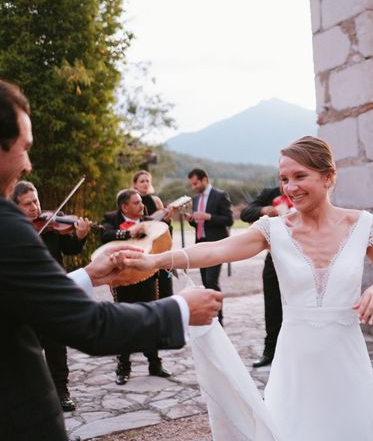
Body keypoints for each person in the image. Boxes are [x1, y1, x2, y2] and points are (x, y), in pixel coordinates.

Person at [117, 136, 373, 440]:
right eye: (284, 179)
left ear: (328, 177)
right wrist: (153, 260)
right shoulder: (274, 229)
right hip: (294, 364)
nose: (290, 187)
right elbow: (216, 250)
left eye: (299, 176)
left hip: (347, 362)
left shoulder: (363, 224)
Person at [0, 78, 221, 441]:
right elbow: (91, 326)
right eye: (24, 148)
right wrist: (180, 308)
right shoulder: (7, 226)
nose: (28, 164)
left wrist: (89, 275)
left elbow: (19, 298)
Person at [12, 180, 92, 412]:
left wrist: (80, 236)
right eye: (27, 205)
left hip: (53, 295)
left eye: (35, 201)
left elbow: (71, 248)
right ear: (16, 207)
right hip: (25, 298)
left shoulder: (52, 224)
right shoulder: (12, 230)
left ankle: (61, 391)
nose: (35, 208)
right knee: (30, 349)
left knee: (57, 347)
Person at [101, 189, 172, 385]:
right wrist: (126, 233)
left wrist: (167, 223)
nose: (142, 206)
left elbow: (163, 240)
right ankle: (123, 367)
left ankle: (154, 364)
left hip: (147, 277)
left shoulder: (149, 219)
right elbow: (105, 235)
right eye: (137, 203)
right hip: (122, 279)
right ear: (124, 207)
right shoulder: (111, 218)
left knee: (151, 318)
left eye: (141, 202)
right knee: (124, 322)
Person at [240, 186, 289, 367]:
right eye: (282, 178)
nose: (287, 184)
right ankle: (270, 352)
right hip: (274, 257)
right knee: (272, 306)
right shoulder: (270, 194)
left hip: (303, 258)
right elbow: (246, 213)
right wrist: (264, 210)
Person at [186, 168, 233, 324]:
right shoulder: (196, 199)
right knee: (206, 282)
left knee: (212, 281)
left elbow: (229, 220)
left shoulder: (220, 195)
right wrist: (191, 219)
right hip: (200, 244)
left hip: (216, 245)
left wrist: (208, 217)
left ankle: (219, 318)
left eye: (196, 183)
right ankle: (210, 317)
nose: (194, 187)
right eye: (192, 184)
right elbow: (198, 225)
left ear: (205, 179)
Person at [132, 169, 174, 299]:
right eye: (142, 181)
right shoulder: (131, 202)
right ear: (135, 184)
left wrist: (167, 220)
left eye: (147, 181)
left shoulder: (156, 201)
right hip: (143, 248)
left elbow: (166, 229)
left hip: (159, 247)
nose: (145, 183)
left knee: (165, 287)